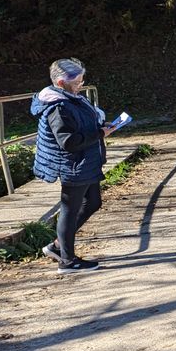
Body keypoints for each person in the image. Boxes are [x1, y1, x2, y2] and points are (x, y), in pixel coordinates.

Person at [31, 58, 117, 274]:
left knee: (93, 202)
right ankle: (67, 261)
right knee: (69, 210)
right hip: (72, 165)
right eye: (77, 81)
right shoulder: (57, 107)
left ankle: (57, 247)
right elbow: (68, 142)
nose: (81, 84)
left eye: (81, 79)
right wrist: (99, 134)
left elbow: (83, 124)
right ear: (61, 83)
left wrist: (100, 127)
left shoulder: (72, 98)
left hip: (86, 162)